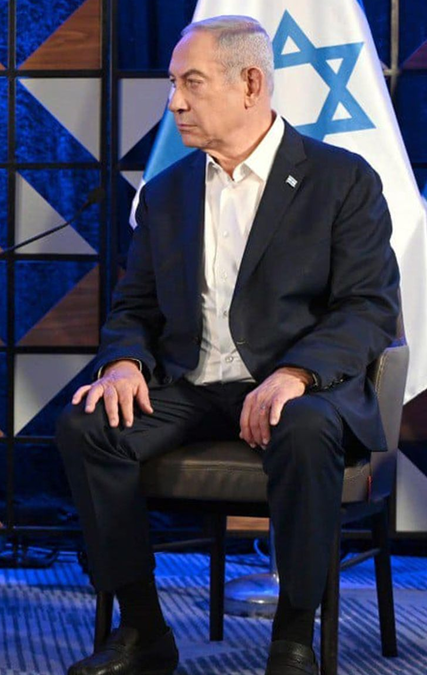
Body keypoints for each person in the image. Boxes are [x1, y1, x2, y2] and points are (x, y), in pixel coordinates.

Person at [56, 15, 400, 675]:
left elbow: (369, 306)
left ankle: (294, 636)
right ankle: (144, 629)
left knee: (302, 429)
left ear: (250, 83)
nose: (174, 101)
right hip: (192, 384)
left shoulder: (341, 180)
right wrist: (125, 360)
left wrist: (297, 371)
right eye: (172, 83)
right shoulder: (166, 192)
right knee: (86, 425)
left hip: (297, 390)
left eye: (191, 82)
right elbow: (135, 306)